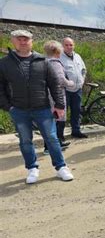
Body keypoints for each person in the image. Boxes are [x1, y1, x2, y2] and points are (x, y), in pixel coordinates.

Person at [0, 30, 73, 183]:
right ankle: (32, 168)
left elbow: (55, 84)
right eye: (19, 39)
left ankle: (61, 167)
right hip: (19, 110)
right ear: (13, 41)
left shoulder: (43, 61)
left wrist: (59, 105)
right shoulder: (4, 63)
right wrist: (8, 107)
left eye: (26, 39)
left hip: (43, 108)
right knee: (25, 141)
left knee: (52, 138)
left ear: (31, 41)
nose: (22, 42)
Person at [43, 40, 75, 154]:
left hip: (47, 95)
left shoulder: (45, 61)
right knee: (58, 121)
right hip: (56, 96)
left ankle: (57, 143)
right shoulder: (55, 63)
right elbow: (61, 80)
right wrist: (70, 83)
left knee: (51, 121)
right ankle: (51, 147)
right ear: (57, 51)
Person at [60, 37, 88, 138]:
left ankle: (76, 131)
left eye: (71, 45)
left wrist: (82, 80)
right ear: (62, 46)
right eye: (66, 45)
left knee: (76, 111)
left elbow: (84, 69)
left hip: (77, 90)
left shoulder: (78, 56)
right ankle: (60, 135)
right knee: (62, 113)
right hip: (64, 90)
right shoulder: (59, 57)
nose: (69, 47)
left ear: (74, 45)